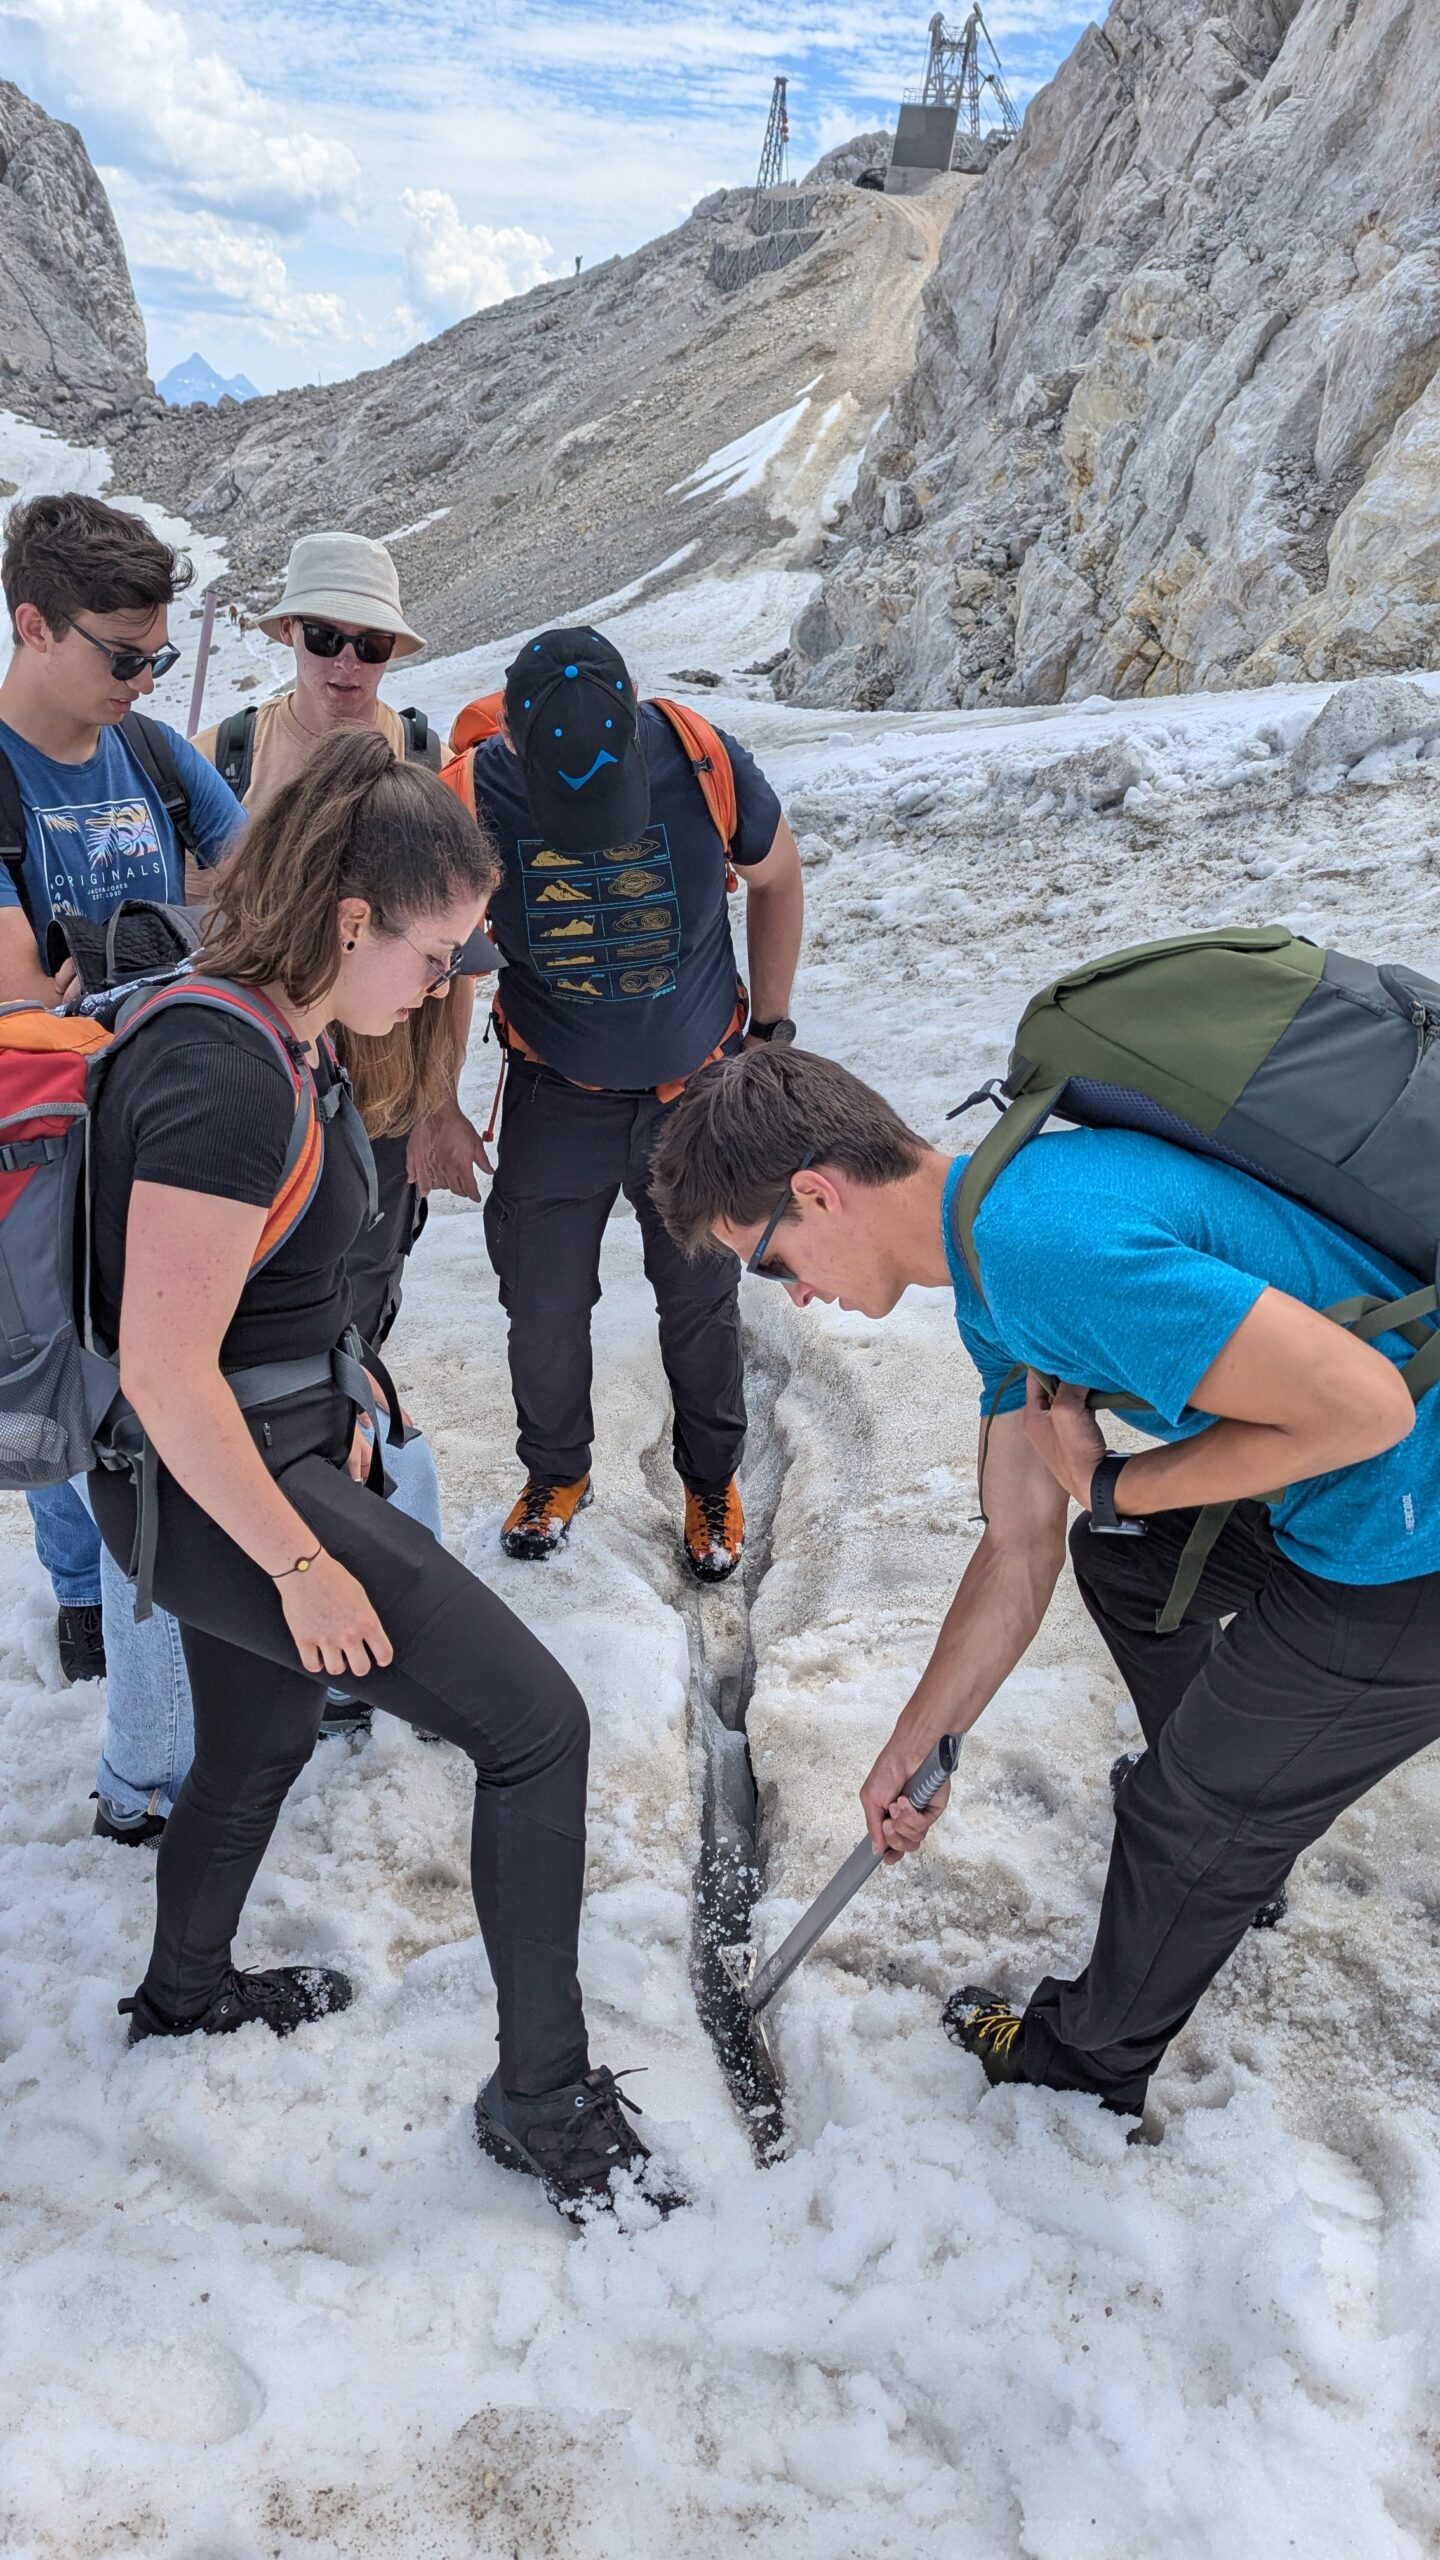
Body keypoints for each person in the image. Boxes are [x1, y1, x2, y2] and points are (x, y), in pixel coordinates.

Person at [88, 728, 676, 2220]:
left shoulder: (270, 1029)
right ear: (353, 918)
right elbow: (164, 1368)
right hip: (223, 1486)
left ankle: (184, 1992)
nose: (442, 986)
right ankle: (539, 2101)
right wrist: (301, 1559)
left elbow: (271, 1296)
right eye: (435, 953)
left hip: (255, 1461)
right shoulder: (223, 1072)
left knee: (262, 1735)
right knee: (537, 1727)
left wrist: (342, 1402)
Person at [649, 1044, 1440, 2125]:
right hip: (1356, 1494)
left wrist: (1120, 1479)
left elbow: (1369, 1411)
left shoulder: (1042, 1251)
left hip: (1409, 1540)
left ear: (817, 1193)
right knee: (1129, 1570)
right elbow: (1021, 1544)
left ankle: (1087, 2062)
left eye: (774, 1263)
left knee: (1184, 1811)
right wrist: (913, 1742)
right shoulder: (994, 1241)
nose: (797, 1294)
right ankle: (1226, 1819)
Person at [446, 626, 804, 1582]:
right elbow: (441, 953)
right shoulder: (474, 789)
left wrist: (768, 1034)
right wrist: (436, 1100)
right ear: (514, 737)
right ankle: (557, 1474)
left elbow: (776, 874)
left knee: (700, 1299)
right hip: (554, 1093)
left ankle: (711, 1480)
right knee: (544, 1303)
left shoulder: (701, 758)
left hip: (697, 1095)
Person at [0, 492, 244, 1684]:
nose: (145, 678)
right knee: (63, 1367)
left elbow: (261, 886)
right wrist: (176, 942)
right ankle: (85, 1591)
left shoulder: (151, 751)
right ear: (34, 625)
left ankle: (157, 1572)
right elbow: (20, 1010)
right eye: (122, 654)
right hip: (47, 1153)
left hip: (173, 1120)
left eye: (157, 654)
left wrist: (112, 956)